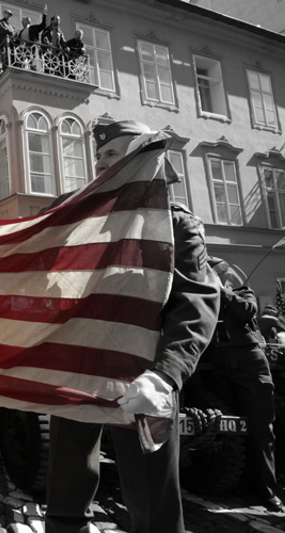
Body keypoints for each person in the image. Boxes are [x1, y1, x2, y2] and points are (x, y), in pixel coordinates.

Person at [43, 120, 222, 533]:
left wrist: (165, 376)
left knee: (152, 496)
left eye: (115, 155)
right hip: (80, 365)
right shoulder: (83, 219)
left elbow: (195, 304)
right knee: (67, 485)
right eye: (100, 157)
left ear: (143, 159)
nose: (103, 164)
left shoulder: (173, 224)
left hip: (144, 373)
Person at [202, 258, 281, 511]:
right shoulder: (202, 298)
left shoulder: (240, 292)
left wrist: (220, 291)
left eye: (215, 273)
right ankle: (239, 482)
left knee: (260, 426)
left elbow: (247, 311)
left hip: (247, 359)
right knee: (227, 426)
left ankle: (267, 491)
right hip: (217, 362)